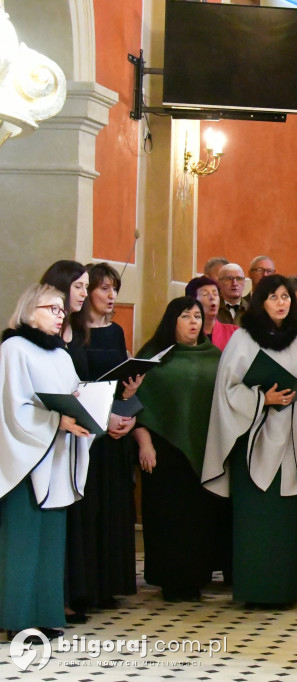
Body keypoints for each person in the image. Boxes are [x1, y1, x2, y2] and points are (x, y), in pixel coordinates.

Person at [202, 275, 297, 608]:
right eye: (274, 297)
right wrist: (262, 399)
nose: (282, 303)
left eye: (286, 296)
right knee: (258, 523)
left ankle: (286, 588)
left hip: (293, 443)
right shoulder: (242, 340)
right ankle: (256, 589)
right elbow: (228, 392)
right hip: (253, 442)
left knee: (287, 523)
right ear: (259, 303)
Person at [0, 284, 93, 641]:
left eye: (61, 310)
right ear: (28, 311)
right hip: (24, 460)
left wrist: (86, 414)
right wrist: (56, 421)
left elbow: (74, 397)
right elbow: (13, 407)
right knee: (22, 542)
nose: (59, 315)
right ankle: (15, 617)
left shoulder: (62, 357)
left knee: (51, 543)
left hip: (55, 458)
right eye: (51, 309)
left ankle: (46, 613)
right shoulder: (13, 348)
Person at [133, 297, 223, 602]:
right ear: (173, 321)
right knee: (168, 517)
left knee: (199, 519)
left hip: (205, 450)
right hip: (163, 451)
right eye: (186, 316)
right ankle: (169, 579)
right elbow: (133, 401)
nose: (194, 321)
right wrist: (144, 443)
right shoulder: (153, 357)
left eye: (197, 316)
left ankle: (196, 578)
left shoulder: (216, 357)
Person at [65, 263, 139, 616]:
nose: (111, 296)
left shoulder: (117, 332)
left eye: (115, 289)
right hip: (85, 434)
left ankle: (109, 586)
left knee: (114, 509)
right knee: (88, 510)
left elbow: (120, 381)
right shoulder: (72, 333)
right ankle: (85, 588)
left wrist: (130, 402)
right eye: (104, 288)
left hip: (115, 434)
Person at [39, 260, 89, 375]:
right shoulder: (41, 331)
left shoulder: (78, 329)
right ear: (61, 287)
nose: (85, 293)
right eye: (78, 286)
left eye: (86, 287)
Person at [186, 276, 237, 350]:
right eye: (205, 294)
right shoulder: (184, 334)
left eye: (215, 294)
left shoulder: (234, 332)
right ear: (192, 300)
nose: (212, 297)